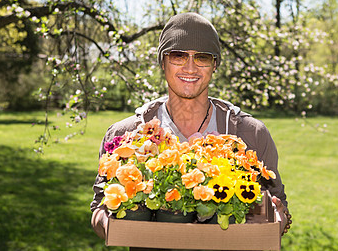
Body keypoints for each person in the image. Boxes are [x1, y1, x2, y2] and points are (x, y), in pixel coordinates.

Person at [90, 12, 291, 243]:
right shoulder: (125, 136)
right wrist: (113, 225)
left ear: (214, 65)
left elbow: (276, 203)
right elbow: (98, 208)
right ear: (162, 62)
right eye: (178, 55)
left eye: (202, 58)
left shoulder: (249, 134)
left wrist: (278, 219)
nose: (190, 67)